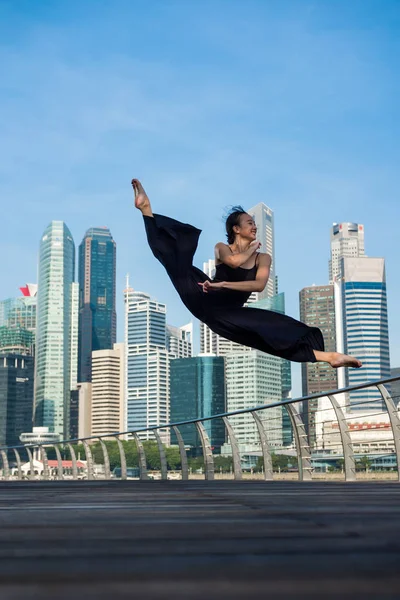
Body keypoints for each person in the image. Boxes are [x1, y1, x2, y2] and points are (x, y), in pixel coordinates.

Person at [132, 178, 362, 369]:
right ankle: (146, 210)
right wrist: (227, 275)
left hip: (229, 313)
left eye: (254, 224)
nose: (254, 227)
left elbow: (258, 285)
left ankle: (331, 357)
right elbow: (233, 262)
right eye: (249, 223)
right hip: (204, 295)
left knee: (271, 331)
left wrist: (223, 285)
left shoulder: (264, 258)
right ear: (236, 229)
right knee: (175, 263)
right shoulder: (222, 248)